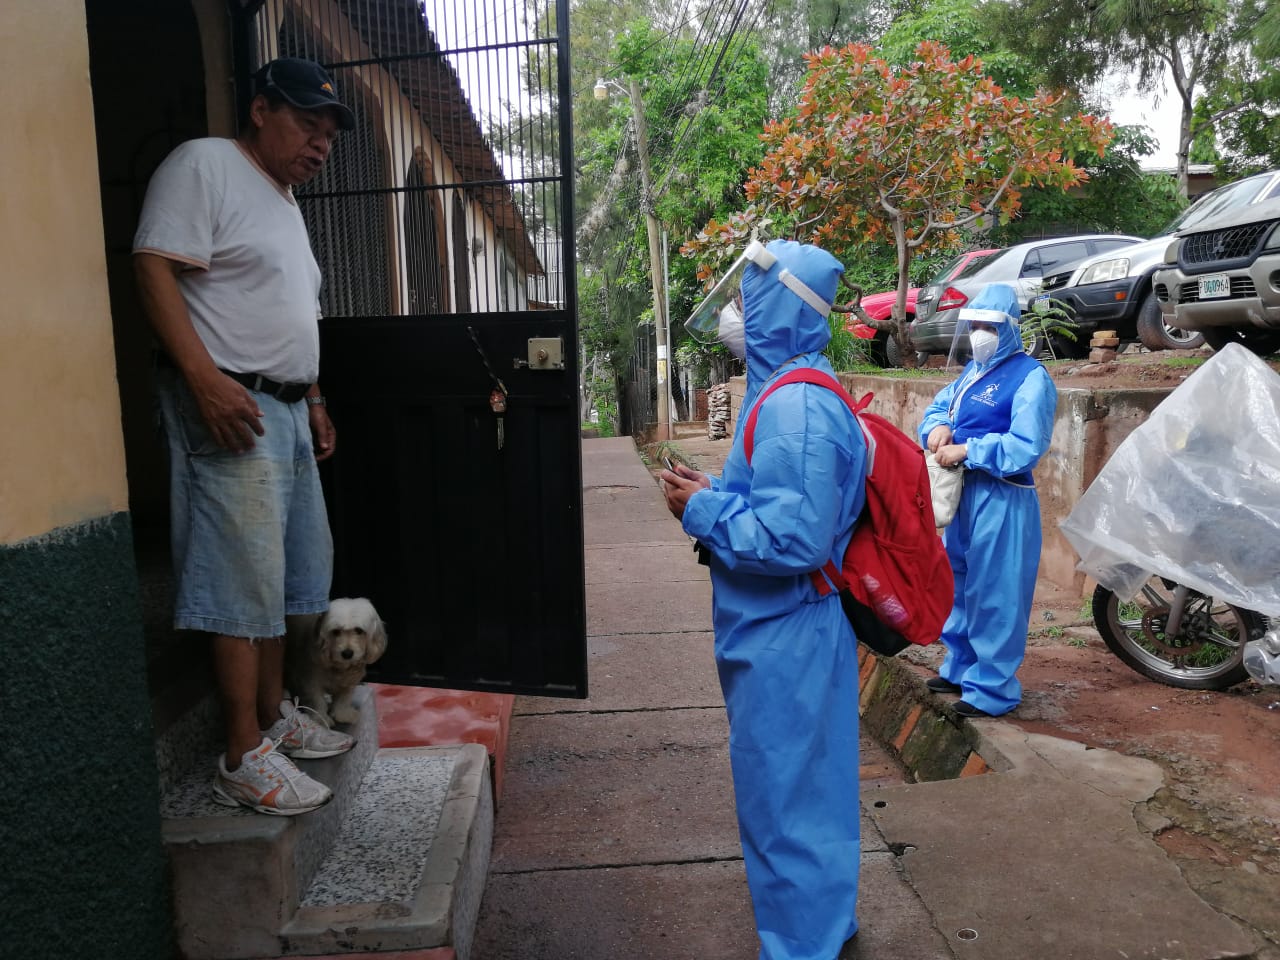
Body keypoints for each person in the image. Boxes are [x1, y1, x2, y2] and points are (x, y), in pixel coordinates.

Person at [133, 58, 358, 815]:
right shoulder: (206, 166)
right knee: (240, 585)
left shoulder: (285, 203)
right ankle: (241, 753)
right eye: (306, 123)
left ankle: (270, 720)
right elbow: (154, 268)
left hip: (287, 411)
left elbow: (293, 312)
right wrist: (202, 381)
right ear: (260, 109)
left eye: (329, 132)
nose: (320, 143)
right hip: (230, 406)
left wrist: (315, 396)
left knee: (290, 580)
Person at [661, 239, 866, 960]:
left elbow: (794, 541)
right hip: (788, 629)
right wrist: (714, 495)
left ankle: (803, 944)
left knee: (785, 801)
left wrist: (702, 514)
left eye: (747, 303)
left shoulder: (796, 410)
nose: (735, 317)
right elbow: (781, 505)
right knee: (811, 789)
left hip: (786, 632)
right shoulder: (790, 392)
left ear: (781, 308)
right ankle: (822, 926)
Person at [918, 282, 1058, 718]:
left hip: (1003, 496)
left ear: (1010, 329)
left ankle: (992, 690)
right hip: (965, 493)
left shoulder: (1030, 377)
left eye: (989, 326)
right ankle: (960, 667)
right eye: (975, 325)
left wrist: (971, 449)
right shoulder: (972, 373)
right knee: (958, 583)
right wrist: (937, 428)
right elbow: (941, 408)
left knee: (997, 593)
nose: (980, 334)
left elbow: (1026, 444)